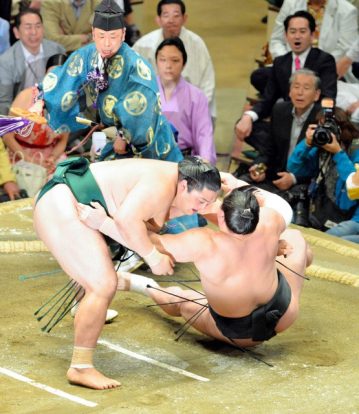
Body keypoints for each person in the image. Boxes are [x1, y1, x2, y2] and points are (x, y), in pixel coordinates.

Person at [33, 156, 221, 389]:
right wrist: (153, 257)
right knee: (103, 284)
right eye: (201, 201)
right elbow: (126, 220)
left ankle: (82, 305)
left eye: (208, 203)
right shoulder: (162, 185)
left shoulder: (178, 187)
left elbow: (140, 233)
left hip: (71, 202)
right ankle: (81, 368)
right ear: (184, 186)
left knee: (99, 272)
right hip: (64, 204)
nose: (203, 209)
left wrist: (148, 248)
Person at [114, 182, 312, 348]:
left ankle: (139, 285)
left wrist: (126, 218)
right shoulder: (270, 219)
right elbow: (269, 206)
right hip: (285, 311)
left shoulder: (203, 242)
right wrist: (273, 246)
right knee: (294, 238)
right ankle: (292, 256)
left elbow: (148, 241)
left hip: (241, 334)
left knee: (183, 300)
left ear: (222, 216)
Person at [37, 0, 182, 162]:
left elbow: (141, 107)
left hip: (147, 143)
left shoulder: (136, 66)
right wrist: (43, 96)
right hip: (110, 138)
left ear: (123, 34)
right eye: (101, 36)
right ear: (93, 34)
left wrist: (125, 136)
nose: (107, 43)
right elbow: (66, 79)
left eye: (113, 37)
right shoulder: (87, 55)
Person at [235, 11, 337, 145]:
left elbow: (328, 98)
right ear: (286, 35)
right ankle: (278, 157)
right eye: (293, 32)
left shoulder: (325, 61)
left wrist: (319, 121)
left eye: (302, 31)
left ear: (312, 35)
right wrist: (248, 117)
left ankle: (277, 157)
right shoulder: (280, 63)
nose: (297, 36)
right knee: (245, 124)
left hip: (312, 123)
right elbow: (268, 99)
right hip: (287, 121)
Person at [240, 69, 321, 196]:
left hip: (303, 183)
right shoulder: (280, 110)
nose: (300, 93)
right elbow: (269, 149)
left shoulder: (321, 119)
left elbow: (320, 166)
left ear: (316, 94)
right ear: (289, 91)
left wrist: (294, 178)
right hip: (275, 175)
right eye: (296, 87)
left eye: (306, 88)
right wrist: (259, 166)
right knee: (240, 189)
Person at [132, 0, 216, 119]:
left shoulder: (197, 44)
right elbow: (133, 80)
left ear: (184, 18)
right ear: (158, 19)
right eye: (166, 15)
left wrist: (196, 111)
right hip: (152, 110)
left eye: (176, 15)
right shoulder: (143, 45)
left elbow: (207, 83)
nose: (171, 20)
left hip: (190, 109)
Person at [287, 103, 359, 236]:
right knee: (288, 221)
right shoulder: (321, 149)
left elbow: (354, 186)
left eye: (330, 128)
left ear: (341, 128)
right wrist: (306, 144)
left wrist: (338, 153)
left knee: (332, 236)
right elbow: (294, 168)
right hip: (322, 211)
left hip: (353, 218)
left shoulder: (355, 149)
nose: (326, 132)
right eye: (321, 127)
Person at [3, 54, 69, 176]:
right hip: (20, 154)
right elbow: (8, 136)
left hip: (49, 156)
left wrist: (52, 158)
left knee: (63, 182)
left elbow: (63, 141)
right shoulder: (26, 96)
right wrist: (30, 160)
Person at [155, 37, 216, 165]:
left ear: (184, 63)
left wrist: (205, 163)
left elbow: (204, 134)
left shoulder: (196, 96)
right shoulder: (145, 91)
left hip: (184, 160)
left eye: (175, 60)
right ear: (156, 62)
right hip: (151, 159)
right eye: (163, 60)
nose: (168, 66)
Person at [0, 8, 65, 115]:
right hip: (22, 113)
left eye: (38, 26)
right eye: (28, 27)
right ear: (16, 32)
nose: (34, 32)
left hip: (52, 111)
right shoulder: (6, 62)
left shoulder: (57, 50)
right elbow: (4, 103)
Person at [269, 0, 358, 68]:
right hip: (291, 66)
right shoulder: (291, 3)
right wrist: (288, 63)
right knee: (260, 76)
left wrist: (315, 68)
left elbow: (345, 50)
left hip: (328, 69)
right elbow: (277, 40)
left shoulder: (347, 11)